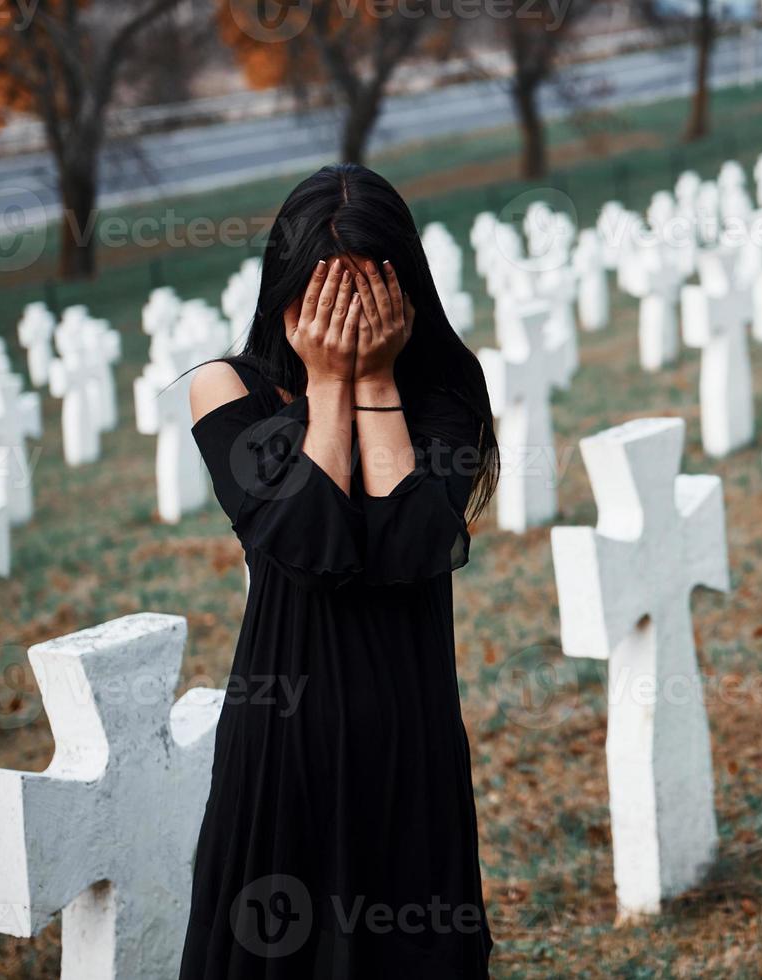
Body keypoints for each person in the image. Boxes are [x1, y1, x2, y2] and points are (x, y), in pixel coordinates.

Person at [179, 164, 498, 978]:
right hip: (283, 741)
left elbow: (411, 545)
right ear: (283, 291)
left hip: (409, 730)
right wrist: (326, 385)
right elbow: (306, 540)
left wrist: (379, 382)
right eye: (322, 298)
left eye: (366, 295)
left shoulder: (444, 393)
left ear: (405, 293)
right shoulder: (227, 392)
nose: (345, 322)